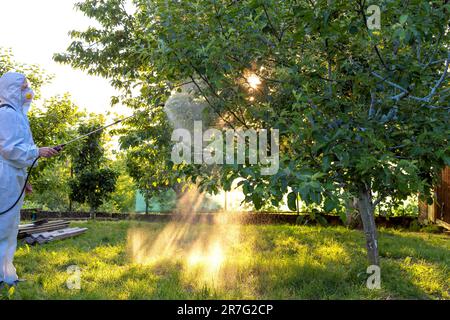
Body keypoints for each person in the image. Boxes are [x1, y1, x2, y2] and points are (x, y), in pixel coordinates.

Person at [0, 72, 59, 286]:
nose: (27, 92)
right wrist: (37, 152)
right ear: (10, 90)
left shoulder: (17, 116)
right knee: (3, 227)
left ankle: (6, 275)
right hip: (4, 178)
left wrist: (25, 179)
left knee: (8, 228)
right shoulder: (6, 114)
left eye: (27, 86)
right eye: (22, 87)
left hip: (12, 177)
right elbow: (9, 150)